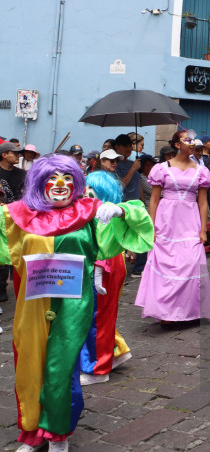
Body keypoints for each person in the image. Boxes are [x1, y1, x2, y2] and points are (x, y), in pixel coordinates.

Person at [1, 154, 152, 452]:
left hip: (73, 302)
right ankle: (32, 431)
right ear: (40, 182)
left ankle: (58, 433)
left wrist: (120, 212)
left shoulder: (89, 211)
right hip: (32, 303)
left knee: (62, 365)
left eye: (68, 178)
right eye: (53, 178)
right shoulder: (18, 214)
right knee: (30, 363)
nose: (60, 184)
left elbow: (140, 221)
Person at [135, 130, 210, 327]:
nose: (191, 143)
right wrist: (150, 226)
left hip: (190, 219)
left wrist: (203, 229)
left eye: (192, 140)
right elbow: (153, 199)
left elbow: (203, 202)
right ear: (177, 145)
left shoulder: (201, 171)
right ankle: (165, 312)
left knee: (190, 262)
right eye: (186, 140)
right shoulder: (162, 168)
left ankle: (189, 311)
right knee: (165, 262)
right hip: (166, 220)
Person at [79, 171, 133, 386]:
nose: (84, 193)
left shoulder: (104, 213)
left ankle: (97, 368)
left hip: (104, 266)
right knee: (99, 315)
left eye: (90, 190)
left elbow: (106, 243)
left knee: (97, 317)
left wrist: (99, 268)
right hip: (103, 266)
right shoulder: (95, 211)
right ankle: (115, 352)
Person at [0, 142, 24, 303]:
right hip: (0, 219)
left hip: (18, 218)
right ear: (4, 154)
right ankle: (2, 285)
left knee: (16, 252)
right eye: (14, 153)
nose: (18, 155)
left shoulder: (23, 174)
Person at [113, 134, 141, 203]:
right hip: (124, 205)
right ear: (117, 147)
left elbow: (138, 184)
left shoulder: (132, 163)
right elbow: (120, 186)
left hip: (137, 204)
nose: (129, 149)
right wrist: (133, 168)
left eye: (130, 147)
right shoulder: (114, 165)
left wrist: (142, 200)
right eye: (125, 146)